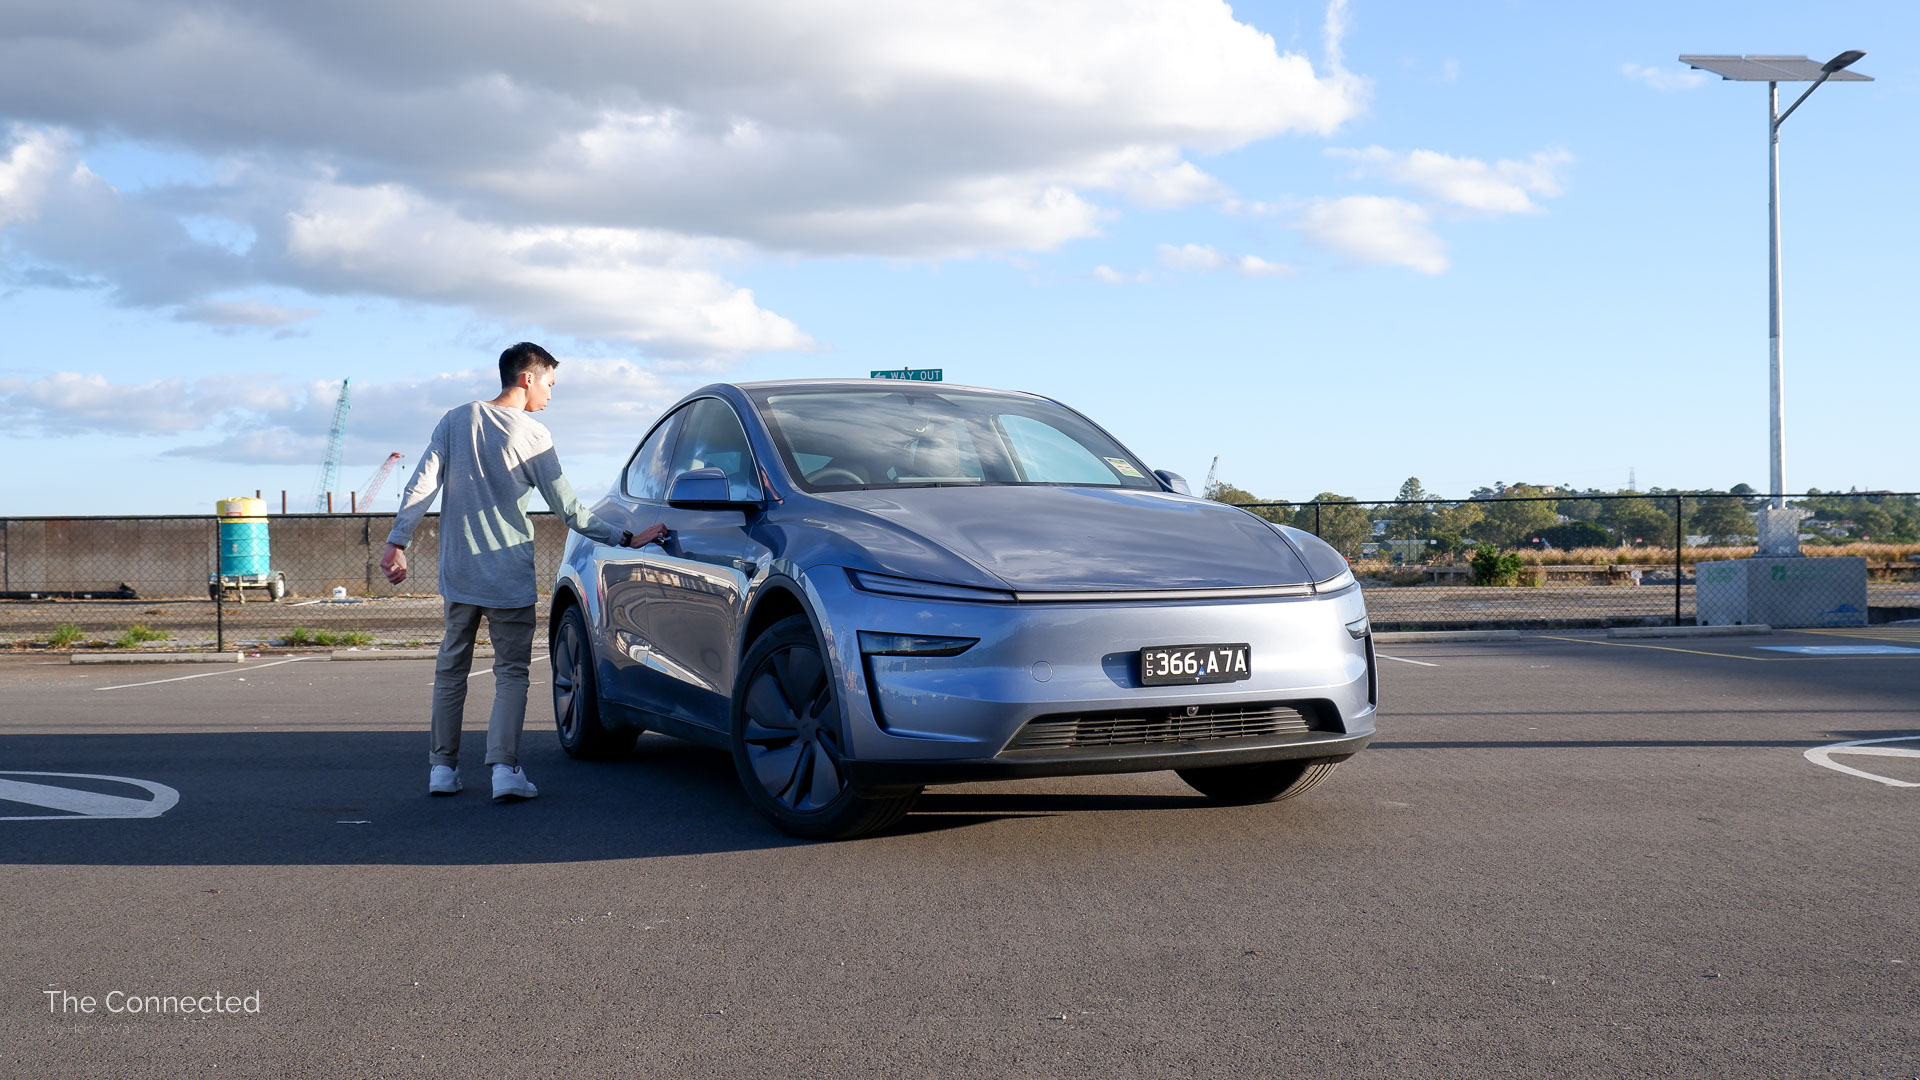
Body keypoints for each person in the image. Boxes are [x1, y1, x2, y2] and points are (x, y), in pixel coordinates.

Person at [380, 342, 668, 801]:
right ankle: (504, 770)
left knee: (451, 669)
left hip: (459, 572)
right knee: (511, 672)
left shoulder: (455, 420)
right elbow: (570, 511)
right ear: (527, 378)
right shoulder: (533, 436)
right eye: (550, 384)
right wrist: (629, 539)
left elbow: (421, 485)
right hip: (507, 575)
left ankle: (442, 768)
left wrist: (398, 542)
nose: (550, 396)